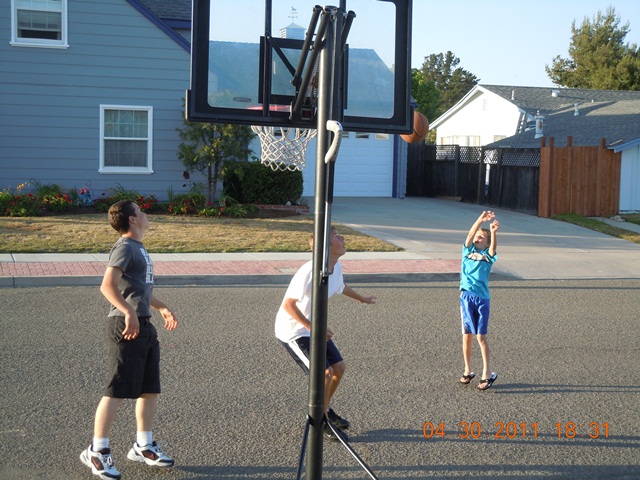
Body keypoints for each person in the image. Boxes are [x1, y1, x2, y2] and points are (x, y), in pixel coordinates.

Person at [80, 200, 179, 480]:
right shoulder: (124, 247)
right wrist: (128, 312)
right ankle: (97, 451)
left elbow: (138, 289)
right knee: (118, 389)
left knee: (149, 389)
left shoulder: (138, 247)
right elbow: (107, 286)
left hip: (143, 324)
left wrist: (161, 307)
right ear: (132, 219)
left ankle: (143, 446)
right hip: (125, 327)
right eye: (141, 211)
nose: (145, 214)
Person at [275, 226, 376, 441]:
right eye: (337, 236)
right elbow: (288, 305)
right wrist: (314, 328)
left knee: (339, 368)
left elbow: (341, 287)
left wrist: (362, 298)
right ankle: (319, 421)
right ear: (327, 246)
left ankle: (325, 410)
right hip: (294, 331)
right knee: (325, 373)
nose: (343, 238)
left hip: (314, 328)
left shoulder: (335, 266)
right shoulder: (310, 270)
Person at [458, 210, 499, 391]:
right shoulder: (467, 251)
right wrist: (480, 220)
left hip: (482, 299)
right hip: (466, 297)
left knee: (481, 337)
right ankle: (468, 370)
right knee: (467, 335)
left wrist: (493, 232)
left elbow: (493, 248)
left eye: (481, 237)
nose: (477, 238)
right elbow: (469, 234)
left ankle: (487, 373)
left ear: (487, 242)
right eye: (477, 236)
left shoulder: (488, 257)